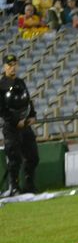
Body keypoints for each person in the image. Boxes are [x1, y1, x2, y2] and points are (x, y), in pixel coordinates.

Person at [0, 55, 38, 196]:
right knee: (14, 159)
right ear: (4, 66)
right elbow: (2, 110)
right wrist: (16, 121)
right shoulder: (1, 85)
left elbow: (27, 100)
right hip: (11, 128)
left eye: (15, 64)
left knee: (33, 157)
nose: (13, 67)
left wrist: (32, 115)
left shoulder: (20, 82)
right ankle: (14, 187)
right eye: (10, 65)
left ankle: (30, 185)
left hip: (26, 126)